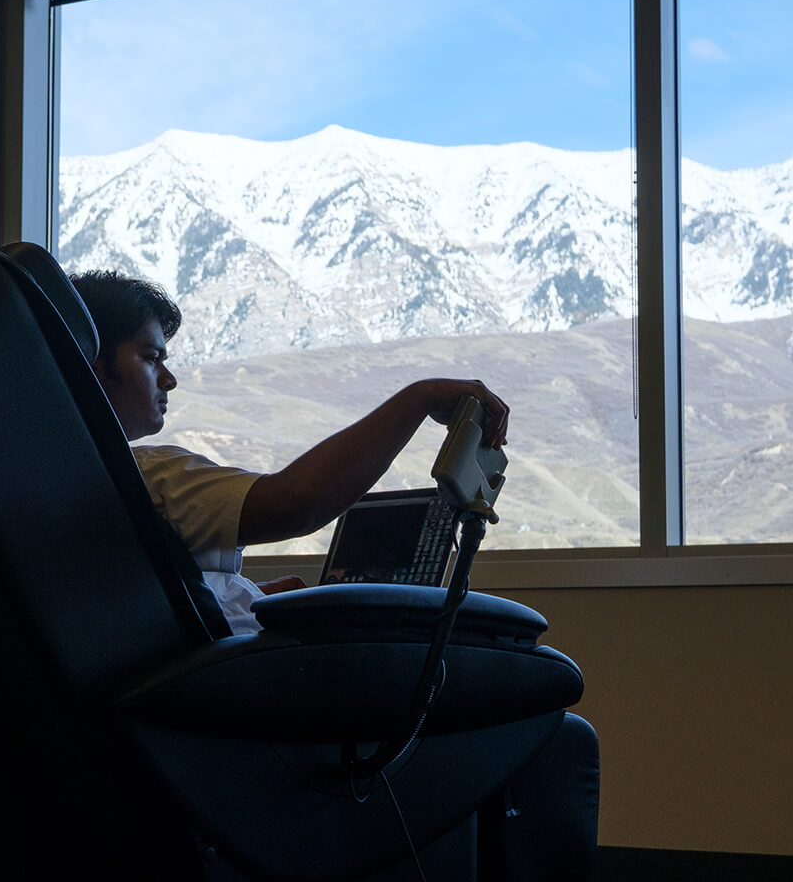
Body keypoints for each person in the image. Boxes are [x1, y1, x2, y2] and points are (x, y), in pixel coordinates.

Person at [68, 269, 508, 636]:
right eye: (151, 358)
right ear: (88, 360)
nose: (168, 379)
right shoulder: (143, 478)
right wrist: (421, 397)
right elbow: (299, 502)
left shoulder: (68, 487)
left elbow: (161, 596)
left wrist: (250, 595)